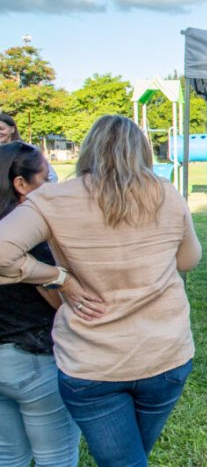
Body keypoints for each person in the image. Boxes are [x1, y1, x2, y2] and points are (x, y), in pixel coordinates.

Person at [0, 115, 201, 466]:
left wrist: (55, 275)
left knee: (127, 458)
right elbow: (188, 260)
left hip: (92, 363)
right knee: (129, 458)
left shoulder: (53, 199)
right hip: (164, 353)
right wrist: (61, 277)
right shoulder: (164, 191)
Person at [0, 142, 80, 466]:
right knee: (56, 458)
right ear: (21, 184)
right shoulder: (28, 233)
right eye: (46, 180)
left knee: (9, 457)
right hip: (34, 357)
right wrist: (65, 278)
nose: (52, 187)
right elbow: (62, 303)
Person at [0, 114, 58, 183]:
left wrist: (33, 191)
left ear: (13, 129)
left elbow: (52, 177)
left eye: (1, 129)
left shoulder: (28, 150)